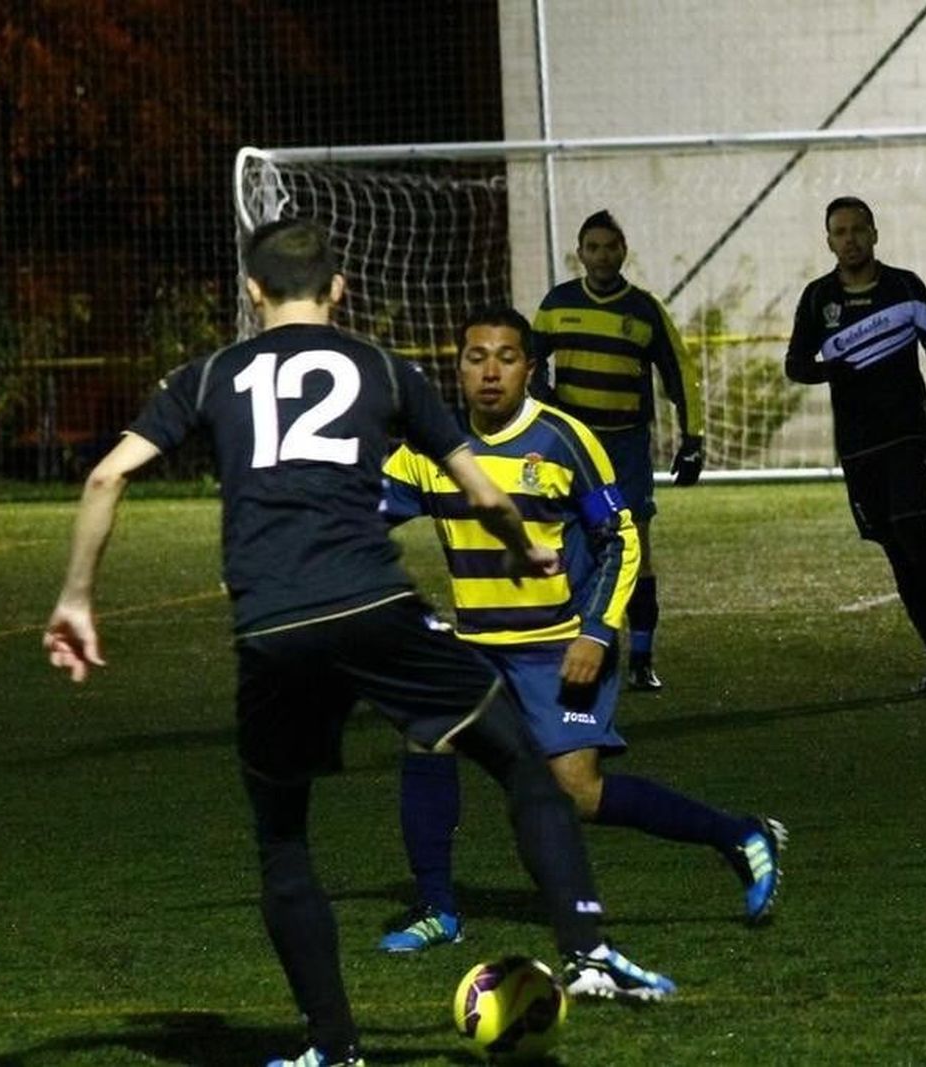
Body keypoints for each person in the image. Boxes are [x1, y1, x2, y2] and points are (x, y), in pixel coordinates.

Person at [41, 221, 675, 1067]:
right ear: (338, 289)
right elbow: (480, 488)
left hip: (272, 627)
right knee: (524, 763)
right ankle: (588, 950)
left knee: (284, 839)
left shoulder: (210, 374)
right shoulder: (384, 368)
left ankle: (334, 1048)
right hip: (375, 607)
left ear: (253, 292)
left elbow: (105, 475)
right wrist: (525, 546)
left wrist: (77, 598)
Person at [376, 306, 785, 953]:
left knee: (577, 795)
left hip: (559, 648)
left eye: (507, 358)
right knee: (427, 734)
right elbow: (362, 512)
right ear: (458, 368)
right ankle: (437, 909)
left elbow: (620, 537)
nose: (490, 372)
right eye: (476, 358)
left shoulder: (564, 440)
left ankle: (738, 835)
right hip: (478, 648)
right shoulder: (432, 448)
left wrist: (595, 632)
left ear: (531, 369)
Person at [784, 196, 926, 693]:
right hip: (857, 442)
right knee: (895, 548)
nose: (850, 239)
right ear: (828, 241)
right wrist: (832, 369)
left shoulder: (905, 286)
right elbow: (795, 365)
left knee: (912, 528)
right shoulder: (818, 298)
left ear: (874, 234)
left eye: (858, 229)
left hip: (906, 430)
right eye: (839, 232)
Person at [531, 209, 703, 691]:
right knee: (573, 549)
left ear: (623, 251)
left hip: (625, 448)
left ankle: (641, 659)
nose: (602, 256)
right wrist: (542, 400)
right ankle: (576, 652)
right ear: (580, 254)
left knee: (634, 549)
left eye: (610, 247)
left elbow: (680, 372)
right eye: (594, 247)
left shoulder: (644, 310)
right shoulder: (557, 303)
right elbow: (529, 359)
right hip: (573, 449)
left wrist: (693, 439)